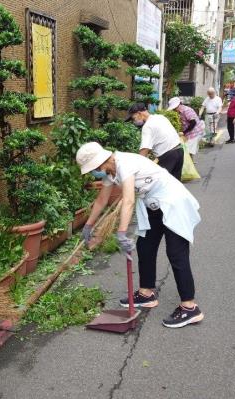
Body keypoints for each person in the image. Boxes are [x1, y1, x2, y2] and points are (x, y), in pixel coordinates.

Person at [77, 142, 203, 328]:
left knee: (176, 253)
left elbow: (128, 200)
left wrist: (121, 232)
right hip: (153, 205)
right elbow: (102, 199)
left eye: (94, 169)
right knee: (145, 248)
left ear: (101, 162)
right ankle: (146, 294)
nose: (94, 173)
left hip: (173, 202)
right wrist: (88, 225)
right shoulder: (111, 172)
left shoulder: (124, 163)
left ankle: (190, 307)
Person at [125, 103, 183, 180]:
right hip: (179, 151)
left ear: (139, 113)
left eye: (133, 118)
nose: (133, 122)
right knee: (175, 184)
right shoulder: (160, 117)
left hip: (168, 156)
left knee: (161, 184)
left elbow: (145, 149)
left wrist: (137, 167)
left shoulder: (147, 126)